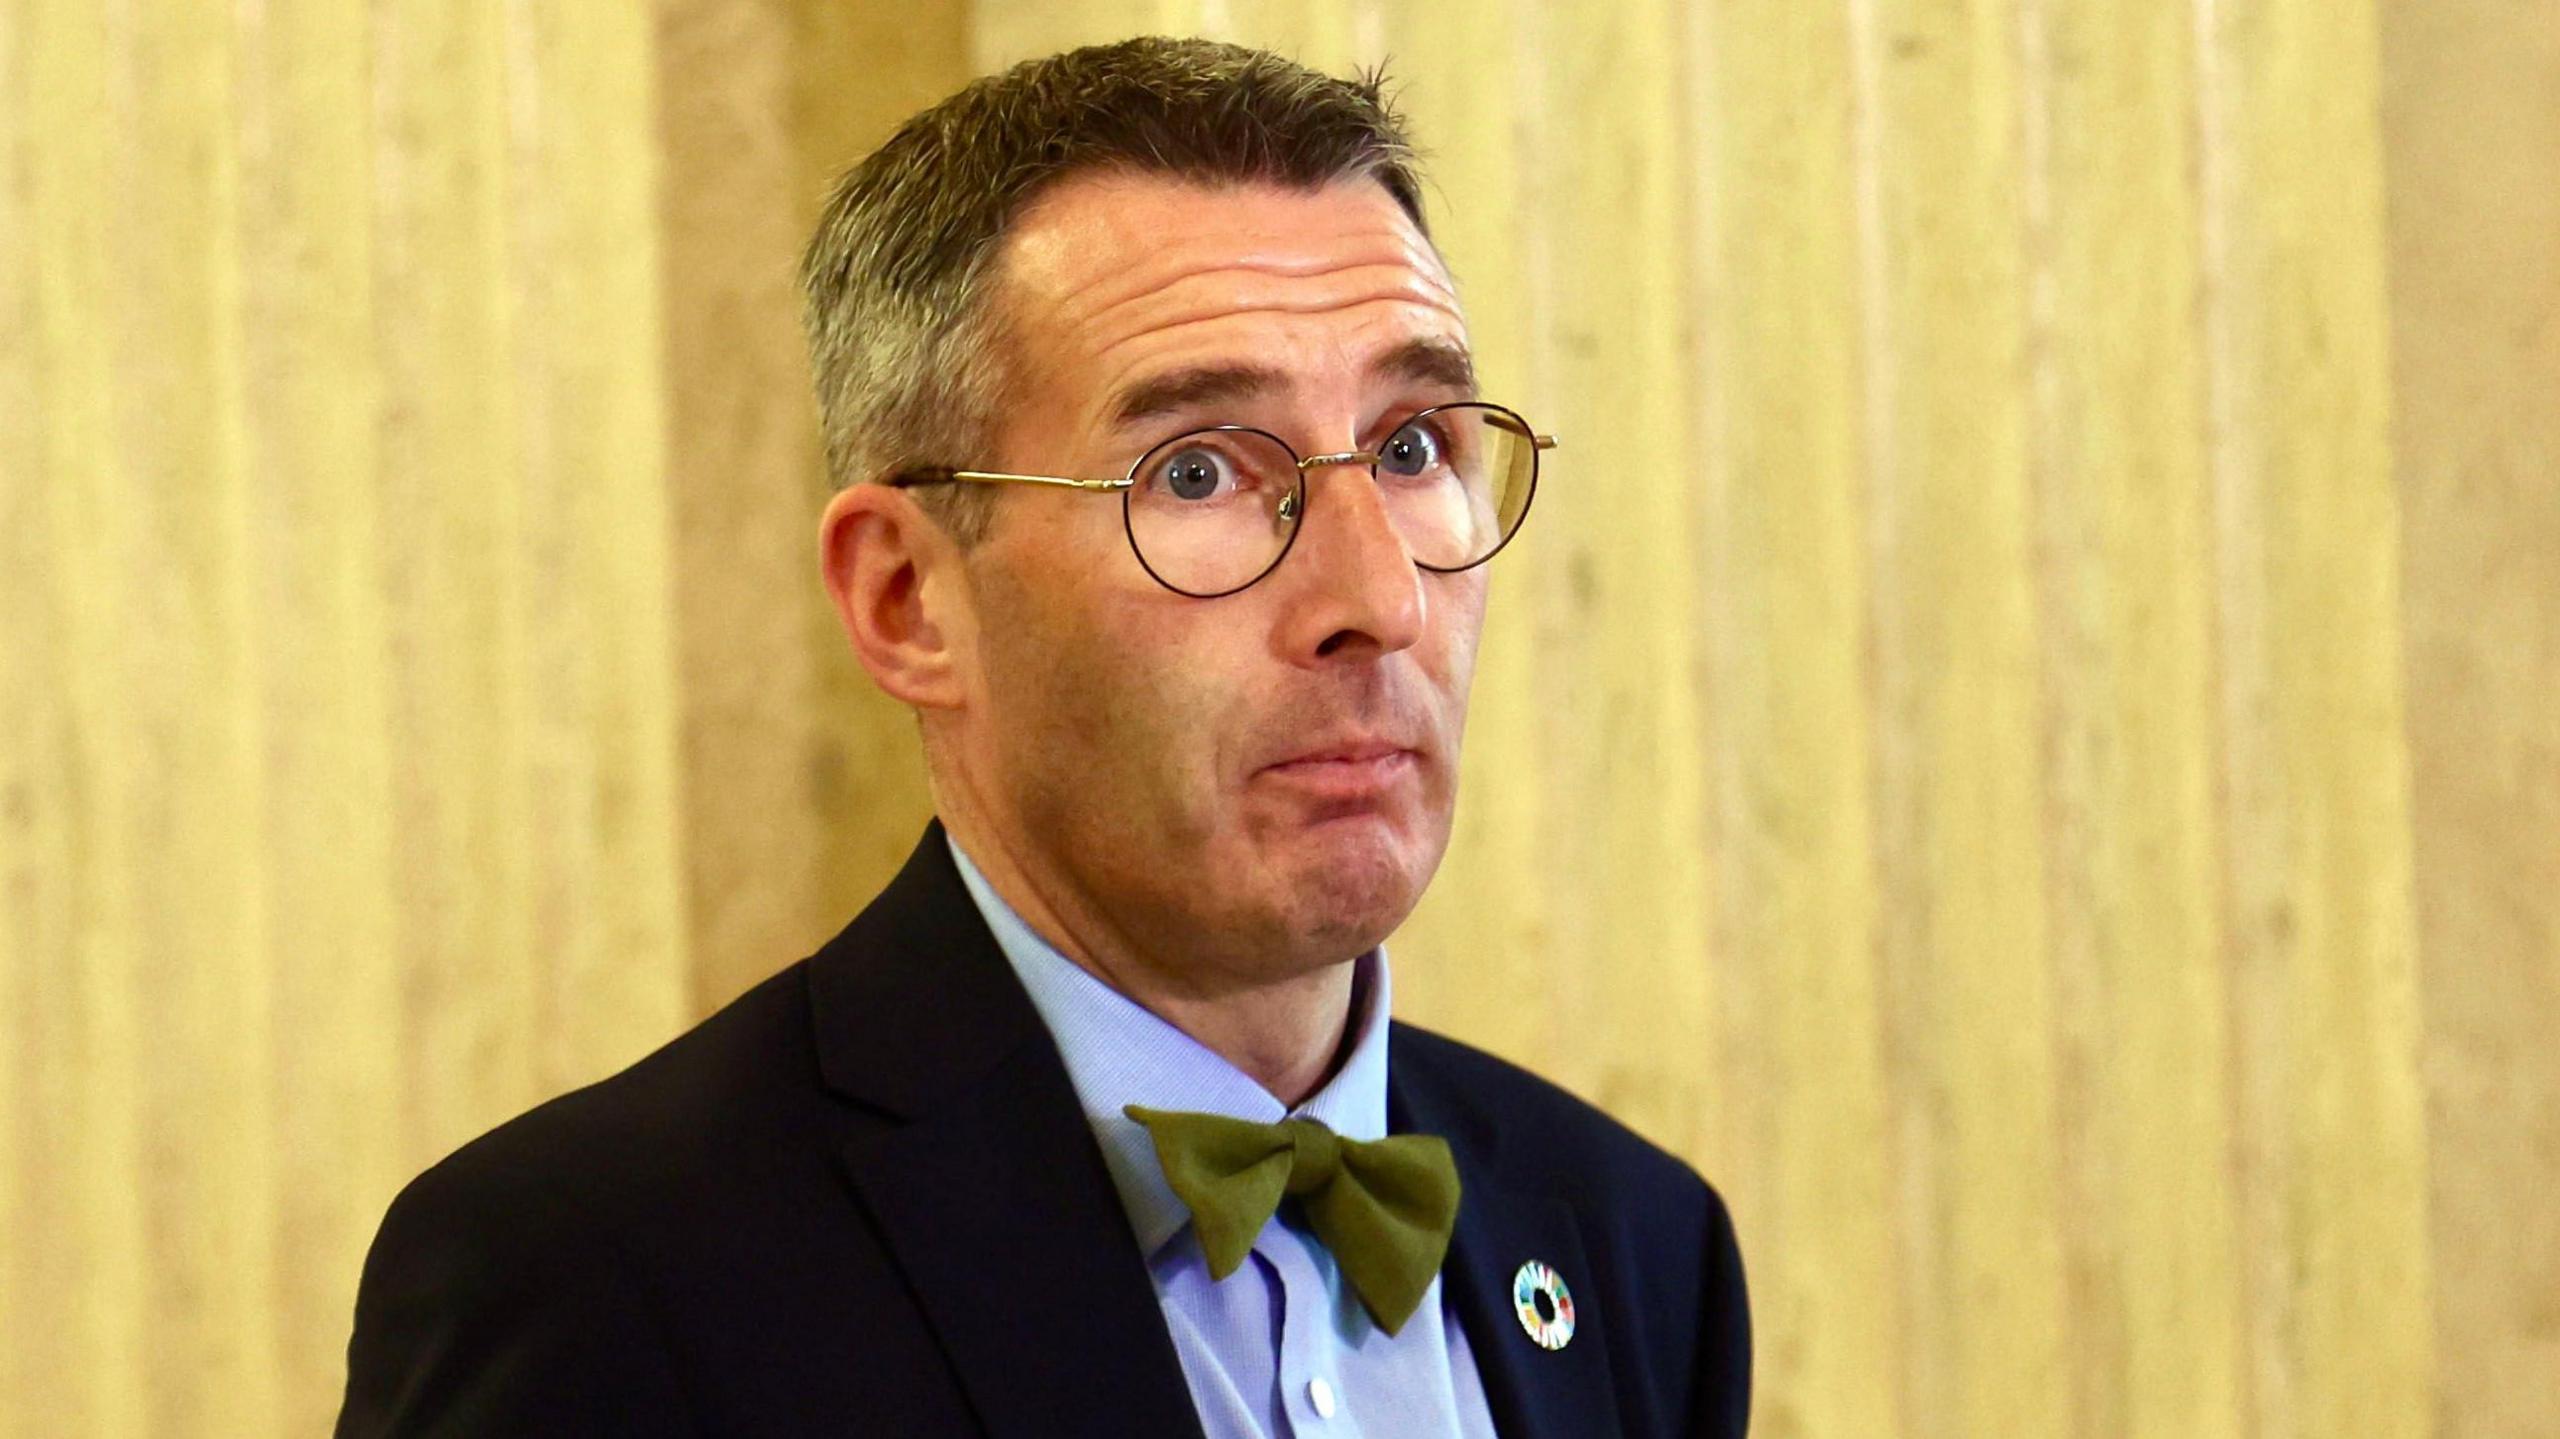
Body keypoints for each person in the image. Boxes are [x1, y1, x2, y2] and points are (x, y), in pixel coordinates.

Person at [337, 37, 1748, 1438]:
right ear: (908, 600)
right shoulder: (600, 1278)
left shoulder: (1631, 1240)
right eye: (1196, 472)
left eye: (1411, 447)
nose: (1375, 600)